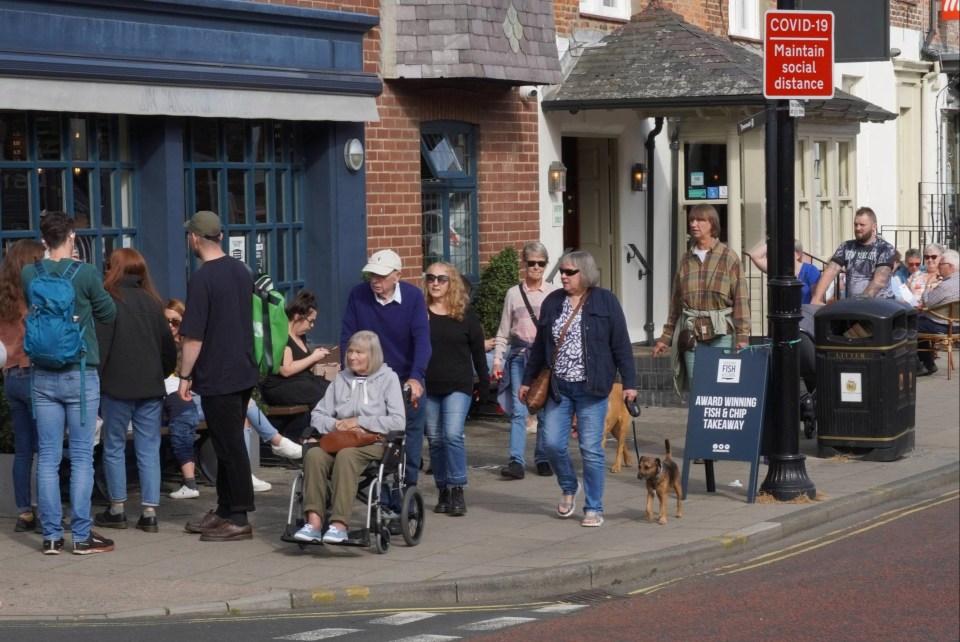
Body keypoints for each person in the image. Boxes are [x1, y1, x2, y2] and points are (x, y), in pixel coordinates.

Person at [519, 251, 637, 529]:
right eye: (561, 271)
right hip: (559, 388)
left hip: (593, 389)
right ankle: (570, 485)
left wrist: (630, 384)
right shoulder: (553, 301)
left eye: (569, 272)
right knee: (551, 444)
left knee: (591, 449)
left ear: (585, 273)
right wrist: (527, 379)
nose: (563, 276)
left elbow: (621, 345)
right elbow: (539, 347)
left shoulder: (605, 301)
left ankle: (594, 507)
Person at [21, 211, 117, 555]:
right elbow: (108, 313)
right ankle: (81, 536)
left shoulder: (30, 273)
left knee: (47, 456)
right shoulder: (87, 273)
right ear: (72, 236)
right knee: (81, 457)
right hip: (79, 374)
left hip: (42, 375)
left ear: (44, 239)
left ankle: (49, 536)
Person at [178, 211, 259, 542]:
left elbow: (194, 336)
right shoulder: (241, 270)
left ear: (194, 239)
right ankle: (225, 509)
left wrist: (185, 375)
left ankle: (238, 516)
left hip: (218, 373)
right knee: (227, 441)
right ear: (220, 237)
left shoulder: (202, 278)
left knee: (229, 445)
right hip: (242, 368)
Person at [293, 331, 405, 544]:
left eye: (359, 353)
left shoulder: (388, 379)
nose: (352, 357)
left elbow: (398, 421)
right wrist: (333, 424)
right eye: (351, 352)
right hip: (340, 438)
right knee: (314, 455)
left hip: (375, 441)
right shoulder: (341, 378)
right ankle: (314, 522)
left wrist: (360, 421)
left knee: (346, 456)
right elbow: (318, 414)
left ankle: (339, 525)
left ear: (372, 355)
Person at [94, 248, 177, 534]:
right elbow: (169, 349)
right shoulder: (154, 303)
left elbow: (101, 349)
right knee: (149, 449)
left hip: (117, 386)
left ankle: (117, 508)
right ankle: (149, 512)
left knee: (114, 446)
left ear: (114, 269)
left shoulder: (108, 301)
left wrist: (98, 380)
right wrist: (160, 374)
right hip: (151, 387)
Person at [340, 249, 431, 487]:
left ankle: (407, 490)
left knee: (409, 435)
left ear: (397, 276)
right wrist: (347, 375)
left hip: (404, 376)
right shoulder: (358, 295)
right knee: (371, 434)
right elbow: (347, 339)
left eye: (381, 276)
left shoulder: (413, 298)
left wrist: (416, 377)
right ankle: (377, 490)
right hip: (370, 378)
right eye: (371, 274)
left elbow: (422, 340)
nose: (374, 280)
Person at [652, 204, 751, 391]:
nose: (694, 224)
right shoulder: (685, 259)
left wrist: (743, 336)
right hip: (691, 333)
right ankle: (698, 421)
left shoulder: (729, 257)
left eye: (700, 220)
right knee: (697, 387)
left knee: (720, 387)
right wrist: (665, 338)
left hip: (721, 332)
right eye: (691, 220)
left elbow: (741, 299)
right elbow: (676, 303)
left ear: (712, 223)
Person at [422, 261, 489, 516]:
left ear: (453, 283)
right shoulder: (420, 313)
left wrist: (483, 384)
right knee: (436, 440)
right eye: (431, 278)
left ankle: (458, 487)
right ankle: (443, 489)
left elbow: (478, 353)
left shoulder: (465, 314)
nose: (435, 283)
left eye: (441, 278)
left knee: (451, 435)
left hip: (458, 385)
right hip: (429, 384)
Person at [492, 242, 557, 480]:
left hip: (545, 361)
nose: (536, 268)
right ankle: (516, 461)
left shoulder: (553, 293)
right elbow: (503, 331)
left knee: (544, 410)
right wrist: (498, 360)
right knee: (519, 411)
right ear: (524, 264)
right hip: (520, 356)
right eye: (532, 263)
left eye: (541, 263)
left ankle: (542, 458)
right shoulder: (513, 293)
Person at [0, 239, 46, 532]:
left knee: (23, 450)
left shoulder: (3, 297)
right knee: (46, 448)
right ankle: (46, 510)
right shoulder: (34, 296)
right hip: (32, 373)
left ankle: (24, 513)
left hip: (10, 377)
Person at [260, 289, 331, 433]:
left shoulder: (301, 336)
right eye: (310, 321)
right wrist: (313, 357)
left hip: (300, 381)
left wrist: (315, 359)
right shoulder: (281, 335)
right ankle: (321, 431)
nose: (312, 326)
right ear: (298, 317)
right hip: (279, 385)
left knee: (333, 388)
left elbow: (300, 366)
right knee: (319, 393)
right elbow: (286, 370)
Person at [810, 207, 896, 305]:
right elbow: (831, 270)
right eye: (856, 224)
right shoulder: (846, 246)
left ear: (874, 226)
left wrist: (860, 302)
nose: (858, 228)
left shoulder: (885, 248)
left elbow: (879, 280)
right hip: (853, 306)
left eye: (862, 225)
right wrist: (817, 298)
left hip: (880, 306)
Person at [916, 249, 959, 377]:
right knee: (919, 321)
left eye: (941, 264)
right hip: (956, 325)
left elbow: (926, 303)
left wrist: (929, 284)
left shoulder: (945, 286)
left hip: (942, 325)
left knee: (907, 324)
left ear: (950, 267)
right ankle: (927, 363)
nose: (938, 267)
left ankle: (920, 364)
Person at [745, 238, 821, 305]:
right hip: (783, 318)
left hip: (805, 317)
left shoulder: (810, 270)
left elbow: (816, 300)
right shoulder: (778, 270)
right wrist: (773, 240)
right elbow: (755, 256)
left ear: (798, 255)